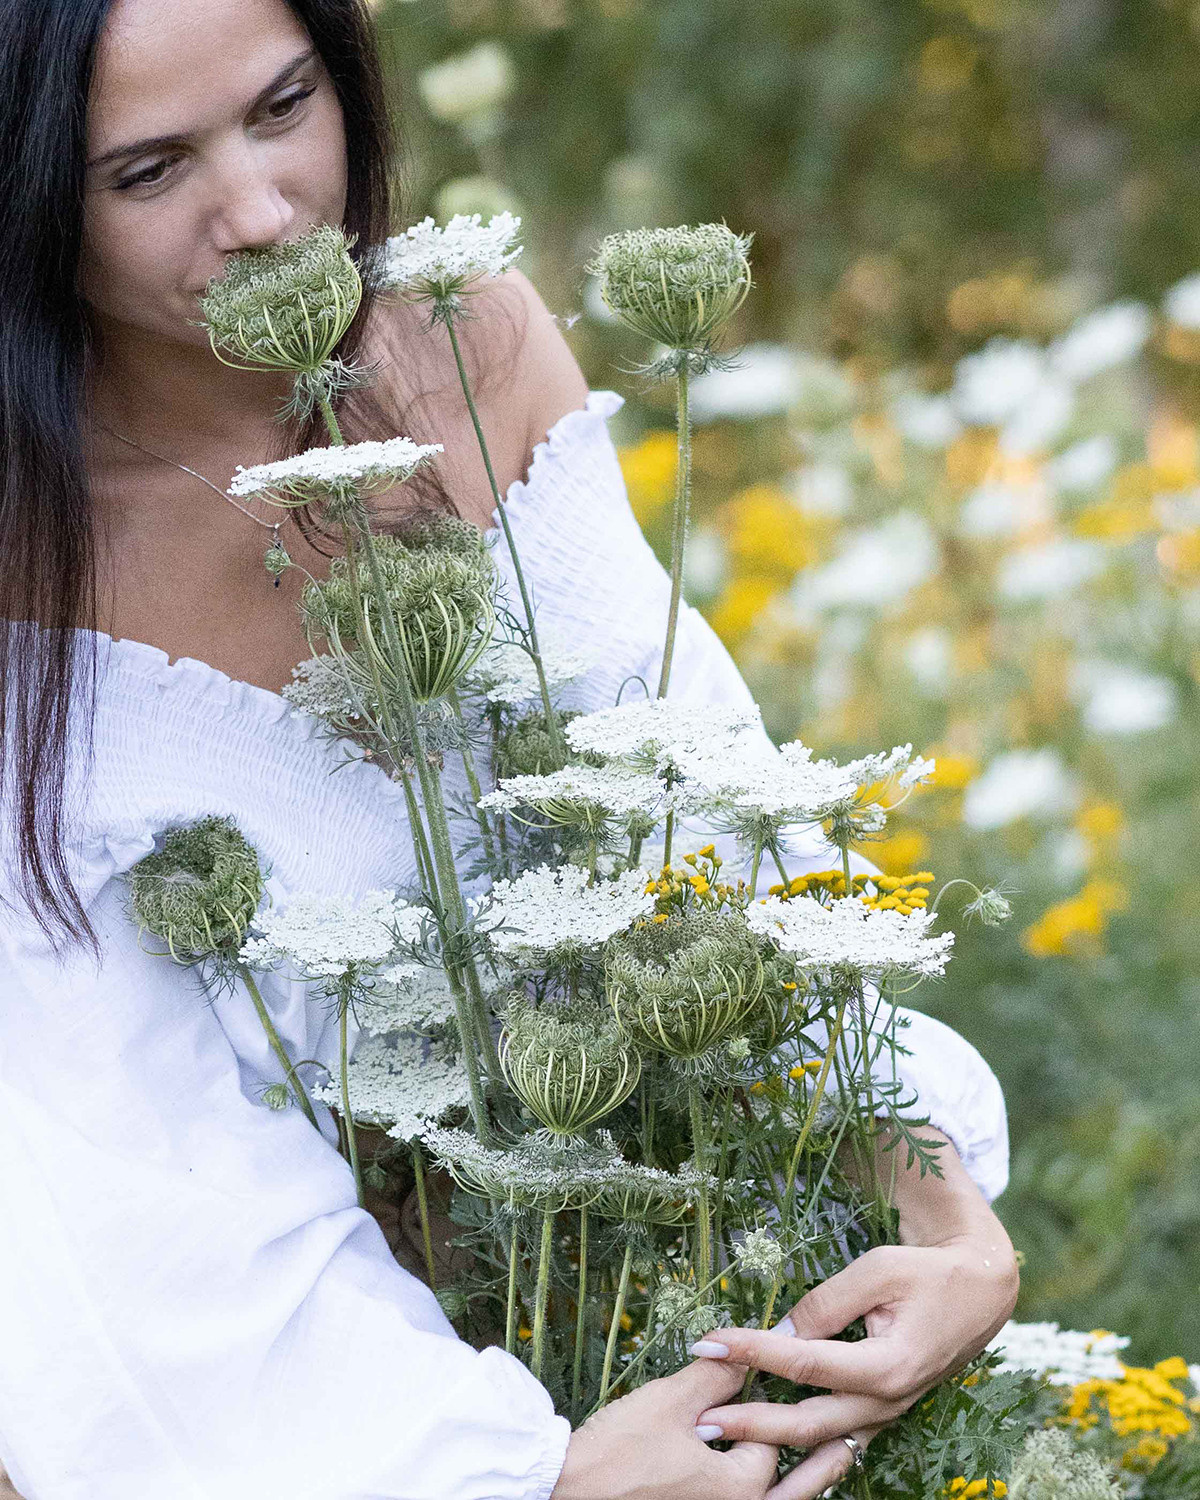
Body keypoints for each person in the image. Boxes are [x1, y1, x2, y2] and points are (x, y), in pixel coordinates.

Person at [0, 0, 1019, 1496]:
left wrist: (942, 1221)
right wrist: (533, 1477)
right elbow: (103, 1198)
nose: (266, 214)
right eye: (148, 174)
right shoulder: (30, 558)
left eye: (285, 108)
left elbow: (703, 818)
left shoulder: (464, 345)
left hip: (678, 1306)